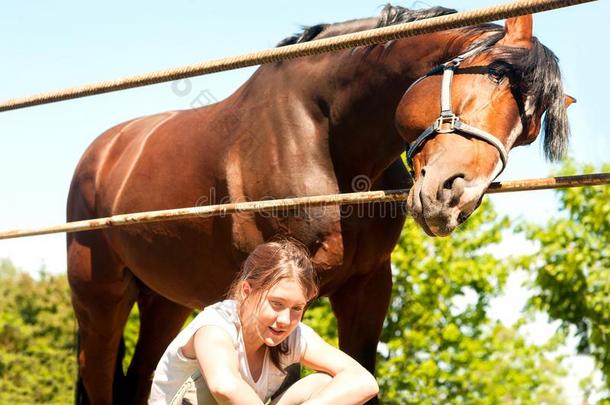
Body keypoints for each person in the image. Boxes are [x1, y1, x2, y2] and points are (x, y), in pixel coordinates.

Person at [149, 238, 379, 405]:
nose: (285, 320)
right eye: (276, 304)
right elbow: (224, 386)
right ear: (246, 291)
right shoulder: (215, 326)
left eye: (297, 308)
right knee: (210, 392)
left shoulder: (294, 334)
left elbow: (364, 381)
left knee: (324, 384)